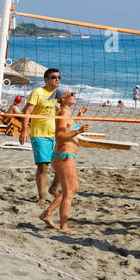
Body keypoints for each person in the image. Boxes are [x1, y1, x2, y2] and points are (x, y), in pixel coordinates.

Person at [39, 90, 89, 231]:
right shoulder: (62, 114)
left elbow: (67, 126)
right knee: (69, 192)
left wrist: (79, 117)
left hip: (67, 156)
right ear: (63, 98)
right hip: (63, 156)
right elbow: (60, 136)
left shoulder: (67, 114)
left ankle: (47, 213)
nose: (74, 95)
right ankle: (63, 226)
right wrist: (78, 131)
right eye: (71, 93)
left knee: (73, 189)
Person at [19, 68, 62, 202]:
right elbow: (27, 112)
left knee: (61, 164)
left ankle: (54, 188)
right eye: (54, 77)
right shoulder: (38, 92)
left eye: (59, 77)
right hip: (39, 134)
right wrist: (24, 130)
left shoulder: (60, 95)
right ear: (46, 79)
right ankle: (42, 197)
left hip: (56, 134)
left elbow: (63, 113)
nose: (57, 79)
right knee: (43, 165)